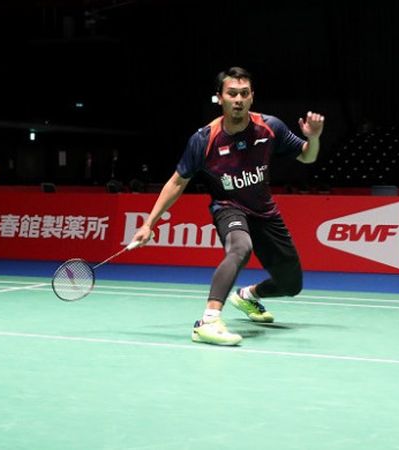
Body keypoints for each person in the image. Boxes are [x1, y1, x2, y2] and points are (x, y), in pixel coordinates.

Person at [130, 67, 324, 346]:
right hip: (229, 207)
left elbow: (307, 157)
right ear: (219, 98)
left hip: (265, 212)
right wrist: (149, 223)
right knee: (240, 248)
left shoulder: (270, 127)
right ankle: (207, 321)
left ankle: (248, 296)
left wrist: (314, 138)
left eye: (244, 94)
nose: (238, 99)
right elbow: (176, 182)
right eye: (232, 93)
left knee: (292, 285)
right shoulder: (204, 138)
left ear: (252, 97)